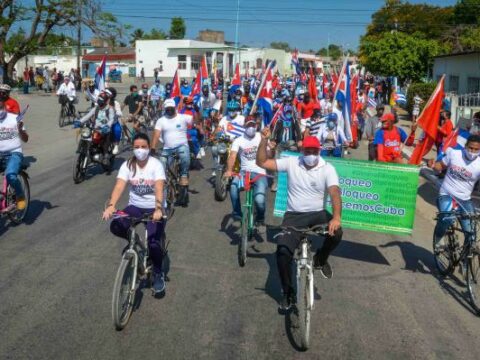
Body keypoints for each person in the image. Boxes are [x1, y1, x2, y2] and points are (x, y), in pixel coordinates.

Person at [256, 132, 342, 310]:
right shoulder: (292, 162)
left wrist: (336, 217)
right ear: (302, 151)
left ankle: (320, 259)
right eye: (307, 151)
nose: (310, 154)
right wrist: (263, 141)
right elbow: (262, 162)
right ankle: (288, 293)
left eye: (314, 151)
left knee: (337, 233)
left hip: (318, 214)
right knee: (282, 253)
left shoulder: (328, 168)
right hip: (293, 215)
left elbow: (334, 192)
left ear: (319, 151)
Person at [102, 133, 167, 295]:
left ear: (148, 148)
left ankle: (158, 273)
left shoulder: (156, 164)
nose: (140, 150)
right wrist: (111, 205)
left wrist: (158, 209)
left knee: (153, 243)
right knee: (116, 225)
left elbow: (159, 187)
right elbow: (119, 186)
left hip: (154, 209)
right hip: (135, 207)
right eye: (136, 147)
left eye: (143, 147)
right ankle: (134, 241)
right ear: (133, 148)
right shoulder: (128, 165)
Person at [431, 135, 480, 254]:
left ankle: (465, 259)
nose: (472, 152)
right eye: (470, 148)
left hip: (465, 200)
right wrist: (433, 165)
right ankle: (438, 238)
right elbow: (440, 166)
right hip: (447, 194)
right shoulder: (454, 154)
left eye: (476, 149)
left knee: (471, 231)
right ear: (465, 146)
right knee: (447, 218)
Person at [224, 118, 268, 229]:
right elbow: (233, 156)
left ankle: (260, 220)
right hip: (244, 173)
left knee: (259, 200)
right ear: (244, 127)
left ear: (256, 126)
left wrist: (271, 147)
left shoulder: (261, 136)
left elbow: (269, 154)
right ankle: (237, 215)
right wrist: (229, 170)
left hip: (260, 172)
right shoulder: (238, 140)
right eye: (249, 125)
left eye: (253, 125)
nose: (251, 128)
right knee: (233, 187)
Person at [151, 98, 193, 207]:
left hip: (181, 146)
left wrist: (197, 112)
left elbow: (196, 121)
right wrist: (153, 148)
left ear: (175, 108)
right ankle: (166, 188)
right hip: (167, 148)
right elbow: (156, 134)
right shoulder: (161, 120)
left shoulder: (183, 117)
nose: (169, 110)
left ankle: (183, 175)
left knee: (184, 157)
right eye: (167, 109)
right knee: (161, 165)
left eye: (171, 108)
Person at [0, 99, 29, 210]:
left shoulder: (14, 118)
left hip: (14, 153)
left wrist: (20, 129)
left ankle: (20, 195)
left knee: (11, 175)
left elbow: (26, 139)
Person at [74, 93, 115, 166]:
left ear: (105, 101)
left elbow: (111, 119)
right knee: (87, 137)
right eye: (99, 99)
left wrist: (107, 126)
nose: (99, 101)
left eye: (101, 100)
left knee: (105, 140)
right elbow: (88, 116)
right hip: (95, 129)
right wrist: (79, 121)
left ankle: (105, 155)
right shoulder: (96, 108)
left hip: (105, 129)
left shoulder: (110, 109)